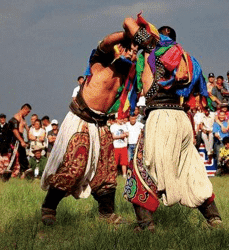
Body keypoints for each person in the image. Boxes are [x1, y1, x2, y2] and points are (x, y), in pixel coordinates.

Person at [40, 15, 150, 225]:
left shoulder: (130, 77)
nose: (132, 53)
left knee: (107, 170)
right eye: (128, 49)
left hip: (101, 124)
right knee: (72, 166)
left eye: (135, 51)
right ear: (120, 48)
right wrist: (128, 35)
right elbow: (107, 41)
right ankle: (49, 208)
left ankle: (106, 214)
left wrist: (141, 46)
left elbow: (145, 77)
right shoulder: (100, 62)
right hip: (80, 119)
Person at [125, 22, 222, 230]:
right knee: (191, 168)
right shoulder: (188, 59)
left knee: (141, 168)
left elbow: (127, 22)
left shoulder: (154, 49)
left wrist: (140, 33)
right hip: (182, 120)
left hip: (160, 117)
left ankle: (145, 223)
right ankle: (214, 217)